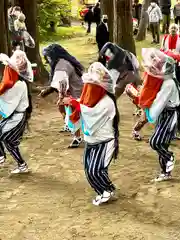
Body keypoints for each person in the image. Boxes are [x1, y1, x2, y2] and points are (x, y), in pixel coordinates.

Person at [64, 62, 119, 206]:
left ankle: (106, 191)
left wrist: (76, 105)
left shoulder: (107, 102)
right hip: (91, 140)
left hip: (104, 141)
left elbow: (92, 113)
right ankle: (107, 189)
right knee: (89, 171)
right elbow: (85, 106)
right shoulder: (91, 98)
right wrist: (73, 103)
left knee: (96, 170)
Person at [140, 48, 179, 182]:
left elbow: (159, 101)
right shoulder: (164, 81)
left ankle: (169, 157)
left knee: (155, 142)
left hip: (169, 115)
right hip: (164, 114)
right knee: (162, 143)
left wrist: (148, 112)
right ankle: (165, 172)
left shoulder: (168, 84)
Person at [40, 44, 84, 148]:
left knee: (74, 114)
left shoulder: (61, 65)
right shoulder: (64, 62)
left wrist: (46, 92)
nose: (46, 61)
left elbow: (59, 84)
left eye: (47, 58)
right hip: (76, 91)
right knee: (69, 111)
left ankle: (77, 137)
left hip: (76, 93)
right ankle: (75, 134)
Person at [0, 50, 33, 174]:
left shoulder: (19, 84)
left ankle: (16, 162)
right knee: (8, 141)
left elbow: (7, 99)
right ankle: (13, 161)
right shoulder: (17, 83)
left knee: (8, 141)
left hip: (17, 117)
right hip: (13, 116)